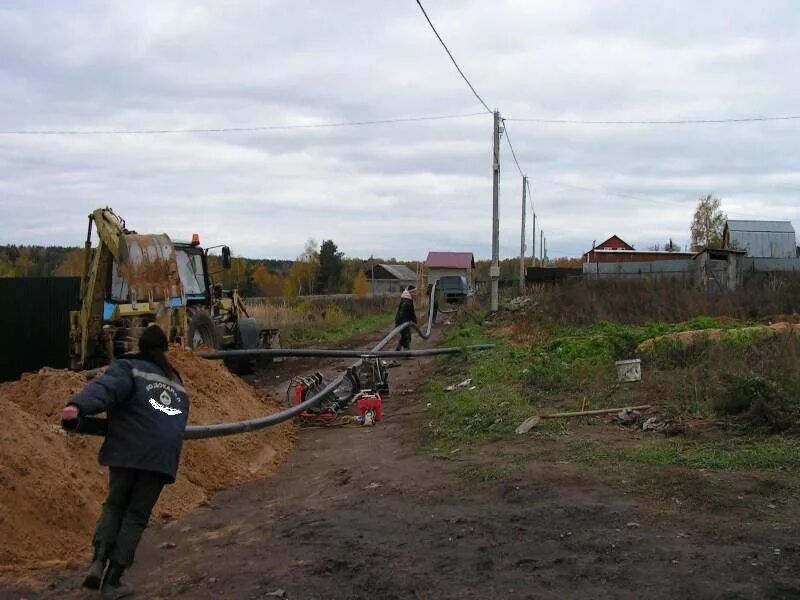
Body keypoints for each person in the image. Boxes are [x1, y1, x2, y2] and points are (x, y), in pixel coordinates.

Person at [61, 325, 189, 599]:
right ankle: (113, 580)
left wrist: (78, 406)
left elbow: (107, 388)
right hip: (161, 456)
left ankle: (98, 561)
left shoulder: (129, 367)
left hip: (128, 446)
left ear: (140, 346)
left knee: (116, 504)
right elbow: (176, 416)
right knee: (136, 516)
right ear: (165, 349)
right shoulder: (176, 380)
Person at [394, 285, 418, 351]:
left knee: (404, 336)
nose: (415, 294)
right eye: (414, 292)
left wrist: (414, 321)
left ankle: (398, 349)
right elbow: (402, 314)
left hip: (404, 322)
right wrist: (405, 323)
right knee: (407, 336)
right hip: (402, 322)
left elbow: (411, 313)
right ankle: (407, 352)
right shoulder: (406, 302)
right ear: (410, 293)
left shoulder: (409, 300)